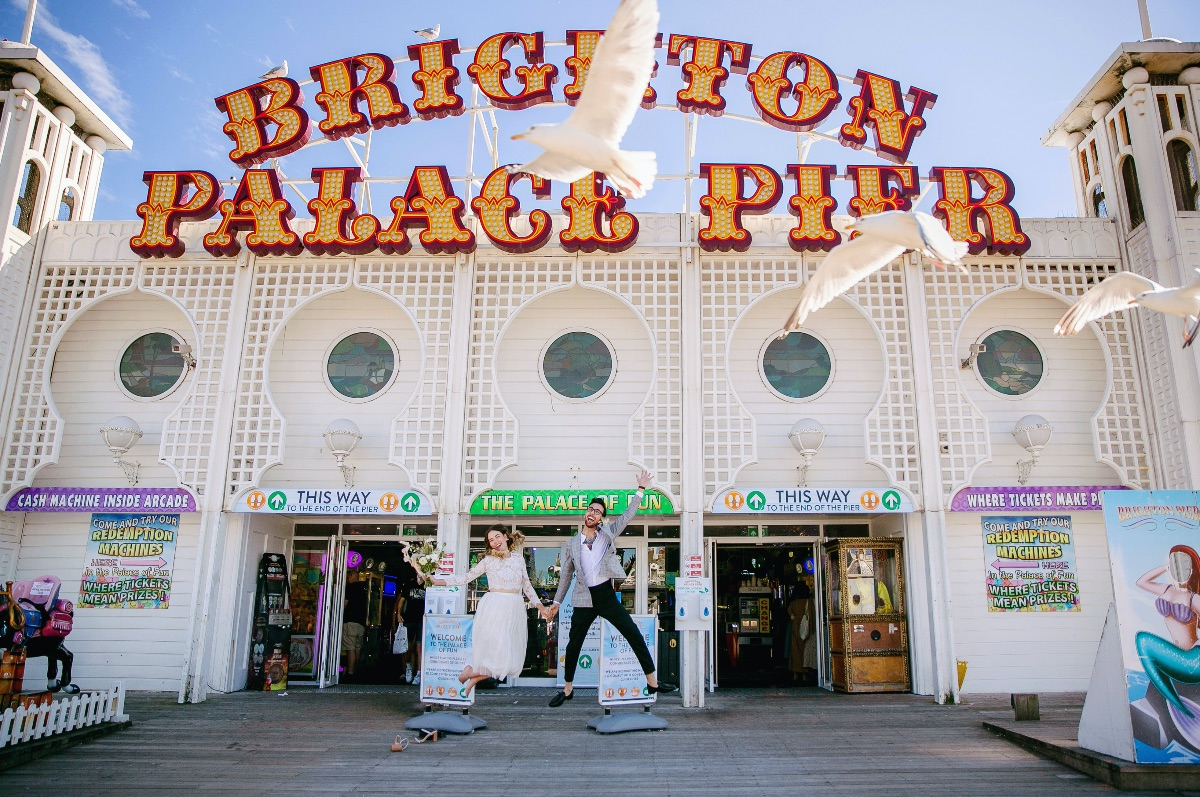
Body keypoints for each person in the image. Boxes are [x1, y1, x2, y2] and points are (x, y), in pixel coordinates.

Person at [546, 469, 675, 707]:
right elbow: (565, 577)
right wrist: (555, 603)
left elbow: (628, 515)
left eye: (597, 512)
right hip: (583, 599)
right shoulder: (571, 544)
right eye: (590, 509)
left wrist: (640, 489)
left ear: (601, 518)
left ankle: (652, 682)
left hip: (605, 595)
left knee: (632, 633)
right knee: (574, 643)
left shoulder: (607, 534)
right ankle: (567, 688)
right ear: (586, 514)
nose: (592, 513)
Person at [427, 525, 550, 697]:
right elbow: (466, 577)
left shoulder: (518, 559)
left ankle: (472, 676)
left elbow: (528, 587)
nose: (495, 542)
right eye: (491, 540)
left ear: (506, 537)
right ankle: (471, 675)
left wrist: (541, 607)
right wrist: (440, 581)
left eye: (497, 537)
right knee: (497, 656)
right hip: (495, 607)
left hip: (514, 607)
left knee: (506, 661)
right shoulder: (488, 560)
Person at [787, 583, 816, 685]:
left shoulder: (793, 603)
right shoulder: (809, 602)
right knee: (805, 649)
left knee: (795, 650)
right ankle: (805, 673)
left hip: (795, 627)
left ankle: (795, 673)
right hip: (807, 627)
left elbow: (790, 614)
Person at [342, 569, 368, 678]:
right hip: (361, 623)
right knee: (357, 647)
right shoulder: (363, 589)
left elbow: (345, 604)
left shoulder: (350, 587)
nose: (348, 579)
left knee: (350, 648)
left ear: (352, 576)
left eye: (348, 577)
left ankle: (350, 673)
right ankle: (355, 670)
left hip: (350, 621)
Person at [403, 577, 426, 683]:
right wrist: (398, 614)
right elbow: (402, 599)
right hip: (409, 619)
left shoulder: (428, 584)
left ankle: (419, 673)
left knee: (419, 647)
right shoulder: (410, 583)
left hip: (422, 620)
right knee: (408, 647)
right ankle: (408, 667)